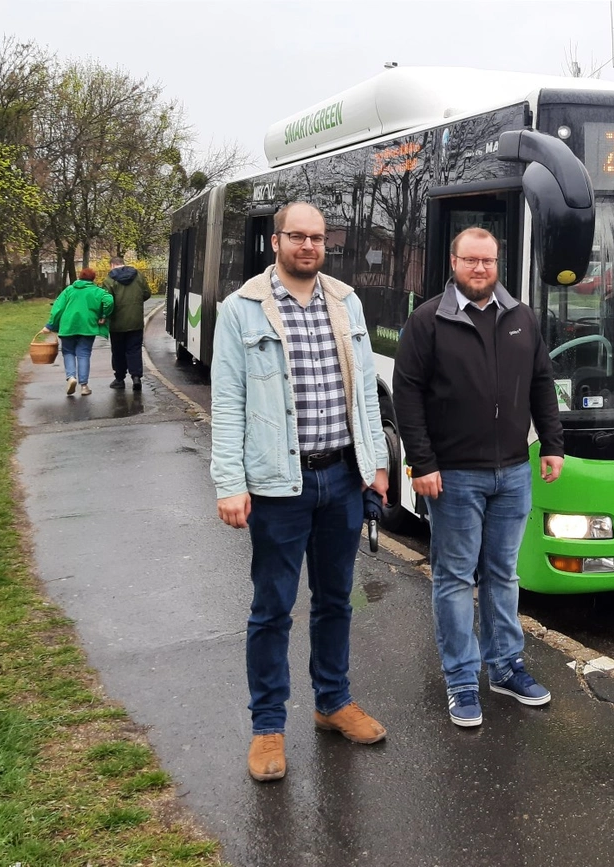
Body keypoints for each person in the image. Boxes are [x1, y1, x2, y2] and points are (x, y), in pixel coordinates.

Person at [209, 202, 389, 783]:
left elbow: (364, 391)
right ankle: (267, 728)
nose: (308, 246)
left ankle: (332, 702)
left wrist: (376, 464)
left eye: (317, 237)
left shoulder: (346, 302)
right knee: (272, 609)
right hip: (277, 484)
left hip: (340, 476)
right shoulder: (241, 310)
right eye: (297, 236)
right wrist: (230, 483)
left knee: (336, 600)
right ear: (276, 241)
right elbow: (228, 400)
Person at [392, 227, 564, 728]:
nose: (480, 269)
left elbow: (541, 384)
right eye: (471, 261)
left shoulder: (521, 317)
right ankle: (462, 679)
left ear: (497, 263)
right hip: (455, 477)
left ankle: (505, 667)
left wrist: (551, 445)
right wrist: (421, 463)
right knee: (453, 579)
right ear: (453, 261)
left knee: (503, 575)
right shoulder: (428, 321)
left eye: (488, 261)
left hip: (513, 472)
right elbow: (407, 395)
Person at [42, 268, 114, 397]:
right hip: (87, 327)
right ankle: (84, 386)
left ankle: (71, 377)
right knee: (84, 354)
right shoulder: (97, 291)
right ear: (93, 279)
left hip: (68, 326)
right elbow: (109, 300)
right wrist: (104, 314)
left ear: (79, 277)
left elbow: (58, 308)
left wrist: (50, 325)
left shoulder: (69, 290)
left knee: (68, 352)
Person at [103, 256, 152, 391]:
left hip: (117, 323)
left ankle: (119, 379)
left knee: (118, 351)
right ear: (122, 264)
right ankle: (136, 377)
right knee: (134, 349)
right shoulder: (138, 276)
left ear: (112, 265)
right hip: (136, 321)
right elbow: (147, 293)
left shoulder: (109, 280)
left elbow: (107, 301)